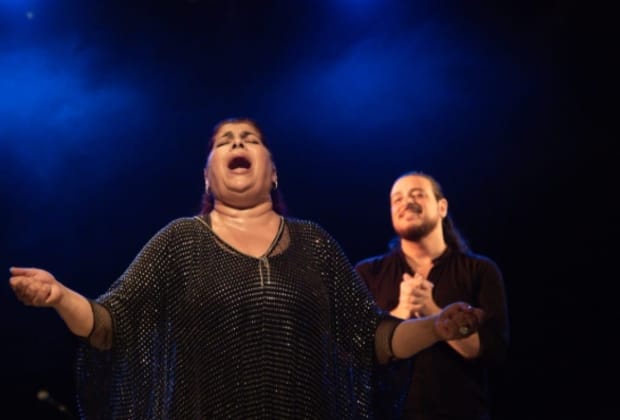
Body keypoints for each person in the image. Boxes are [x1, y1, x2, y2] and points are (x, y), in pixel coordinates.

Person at [9, 118, 484, 419]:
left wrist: (436, 326)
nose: (238, 142)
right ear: (207, 176)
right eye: (225, 141)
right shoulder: (179, 240)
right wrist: (60, 297)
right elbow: (110, 325)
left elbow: (375, 338)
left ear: (272, 172)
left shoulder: (314, 243)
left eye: (250, 139)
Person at [355, 171, 510, 420]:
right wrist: (401, 311)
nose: (407, 202)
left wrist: (433, 311)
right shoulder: (368, 273)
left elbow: (492, 352)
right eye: (397, 199)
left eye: (417, 194)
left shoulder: (480, 270)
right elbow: (355, 351)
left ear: (442, 207)